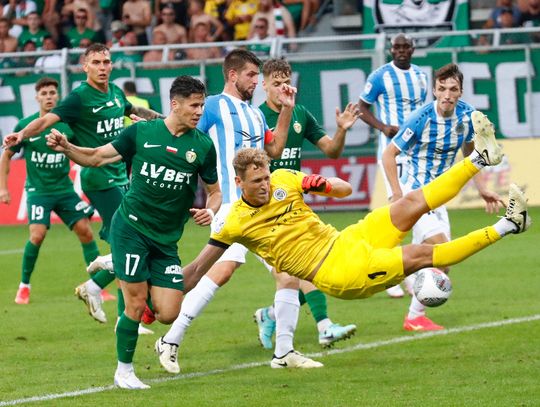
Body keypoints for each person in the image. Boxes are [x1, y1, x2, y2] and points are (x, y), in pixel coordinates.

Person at [173, 121, 530, 365]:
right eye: (256, 182)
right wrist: (164, 286)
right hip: (338, 272)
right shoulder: (233, 222)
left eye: (266, 177)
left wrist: (322, 184)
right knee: (423, 255)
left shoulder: (284, 177)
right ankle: (509, 224)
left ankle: (478, 158)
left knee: (409, 203)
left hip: (345, 239)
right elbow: (198, 269)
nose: (265, 185)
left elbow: (342, 189)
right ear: (239, 183)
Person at [154, 49, 326, 374]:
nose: (255, 82)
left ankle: (284, 351)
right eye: (250, 75)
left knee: (287, 273)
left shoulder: (256, 115)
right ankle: (170, 338)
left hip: (260, 210)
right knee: (220, 271)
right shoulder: (215, 106)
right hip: (231, 207)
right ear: (233, 75)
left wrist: (287, 109)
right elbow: (186, 135)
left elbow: (273, 150)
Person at [46, 75, 222, 390]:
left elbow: (215, 190)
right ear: (175, 104)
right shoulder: (141, 132)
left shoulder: (203, 145)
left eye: (202, 105)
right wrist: (67, 147)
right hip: (130, 227)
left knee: (168, 312)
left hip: (167, 238)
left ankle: (119, 264)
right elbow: (97, 157)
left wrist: (211, 209)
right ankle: (124, 372)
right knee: (136, 303)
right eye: (194, 105)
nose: (199, 112)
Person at [2, 43, 162, 326]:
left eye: (107, 62)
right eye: (97, 62)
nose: (103, 67)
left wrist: (162, 120)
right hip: (97, 176)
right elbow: (45, 122)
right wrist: (22, 133)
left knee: (127, 243)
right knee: (128, 243)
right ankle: (127, 316)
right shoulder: (78, 98)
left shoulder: (114, 93)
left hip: (119, 175)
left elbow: (131, 109)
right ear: (85, 67)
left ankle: (94, 288)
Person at [382, 63, 504, 331]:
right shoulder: (421, 118)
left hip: (438, 198)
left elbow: (470, 155)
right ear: (434, 91)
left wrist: (482, 189)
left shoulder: (468, 116)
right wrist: (397, 194)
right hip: (416, 195)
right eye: (442, 88)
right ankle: (413, 315)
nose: (447, 94)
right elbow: (388, 154)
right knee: (443, 253)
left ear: (460, 92)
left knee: (436, 263)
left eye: (453, 89)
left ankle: (390, 276)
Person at [253, 58, 359, 350]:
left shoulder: (301, 113)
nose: (281, 88)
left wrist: (342, 129)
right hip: (263, 214)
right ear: (263, 85)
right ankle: (322, 327)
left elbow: (332, 151)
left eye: (285, 82)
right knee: (296, 273)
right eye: (275, 83)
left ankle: (271, 315)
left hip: (295, 209)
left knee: (310, 271)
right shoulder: (255, 117)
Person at [0, 77, 98, 305]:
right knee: (37, 234)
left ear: (58, 95)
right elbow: (7, 155)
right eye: (44, 93)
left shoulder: (68, 126)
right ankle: (24, 286)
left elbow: (86, 151)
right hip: (38, 191)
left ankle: (96, 285)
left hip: (64, 189)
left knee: (85, 231)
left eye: (52, 92)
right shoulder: (26, 125)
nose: (49, 97)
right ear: (37, 98)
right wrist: (3, 188)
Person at [358, 33, 428, 299]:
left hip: (418, 154)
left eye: (405, 46)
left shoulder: (421, 76)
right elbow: (362, 108)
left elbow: (423, 110)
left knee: (419, 212)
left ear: (412, 48)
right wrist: (383, 127)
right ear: (390, 50)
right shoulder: (379, 76)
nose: (400, 51)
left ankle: (410, 271)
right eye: (396, 47)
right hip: (393, 154)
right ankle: (387, 274)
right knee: (399, 213)